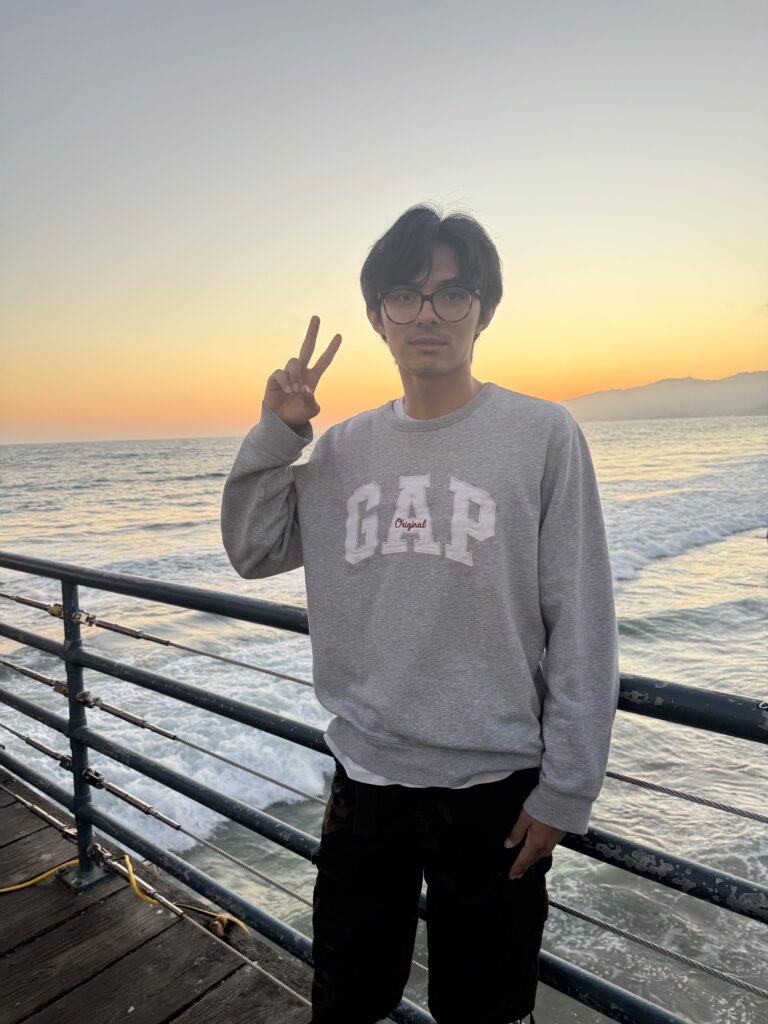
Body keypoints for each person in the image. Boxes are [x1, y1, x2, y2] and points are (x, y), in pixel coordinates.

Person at [220, 204, 620, 1024]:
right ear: (378, 316)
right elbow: (254, 549)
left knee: (484, 1010)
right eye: (405, 295)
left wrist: (566, 791)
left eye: (452, 293)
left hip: (495, 791)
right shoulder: (341, 449)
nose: (427, 314)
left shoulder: (542, 435)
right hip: (366, 779)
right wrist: (279, 434)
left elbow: (582, 616)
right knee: (347, 1001)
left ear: (484, 309)